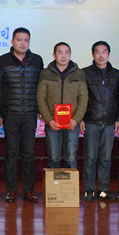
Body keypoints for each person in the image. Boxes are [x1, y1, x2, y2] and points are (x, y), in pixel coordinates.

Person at [0, 27, 44, 203]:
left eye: (26, 40)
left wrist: (40, 109)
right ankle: (11, 190)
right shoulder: (1, 61)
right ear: (12, 41)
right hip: (10, 113)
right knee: (12, 153)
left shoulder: (37, 60)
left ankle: (29, 191)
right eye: (19, 40)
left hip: (30, 112)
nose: (23, 43)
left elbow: (40, 87)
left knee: (29, 154)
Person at [81, 40, 119, 202]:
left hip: (110, 122)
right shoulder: (85, 73)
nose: (101, 55)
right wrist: (82, 118)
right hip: (91, 120)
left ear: (109, 54)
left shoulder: (116, 74)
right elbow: (82, 98)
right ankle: (89, 190)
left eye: (104, 52)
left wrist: (118, 119)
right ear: (93, 54)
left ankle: (104, 191)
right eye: (97, 52)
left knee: (106, 158)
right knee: (90, 157)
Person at [37, 42, 88, 171]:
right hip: (52, 122)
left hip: (72, 123)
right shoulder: (45, 73)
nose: (64, 56)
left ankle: (70, 184)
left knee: (71, 158)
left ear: (70, 55)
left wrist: (76, 119)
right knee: (54, 157)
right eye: (60, 53)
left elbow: (83, 99)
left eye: (67, 53)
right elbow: (41, 98)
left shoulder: (79, 73)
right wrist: (49, 120)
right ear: (54, 55)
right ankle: (54, 184)